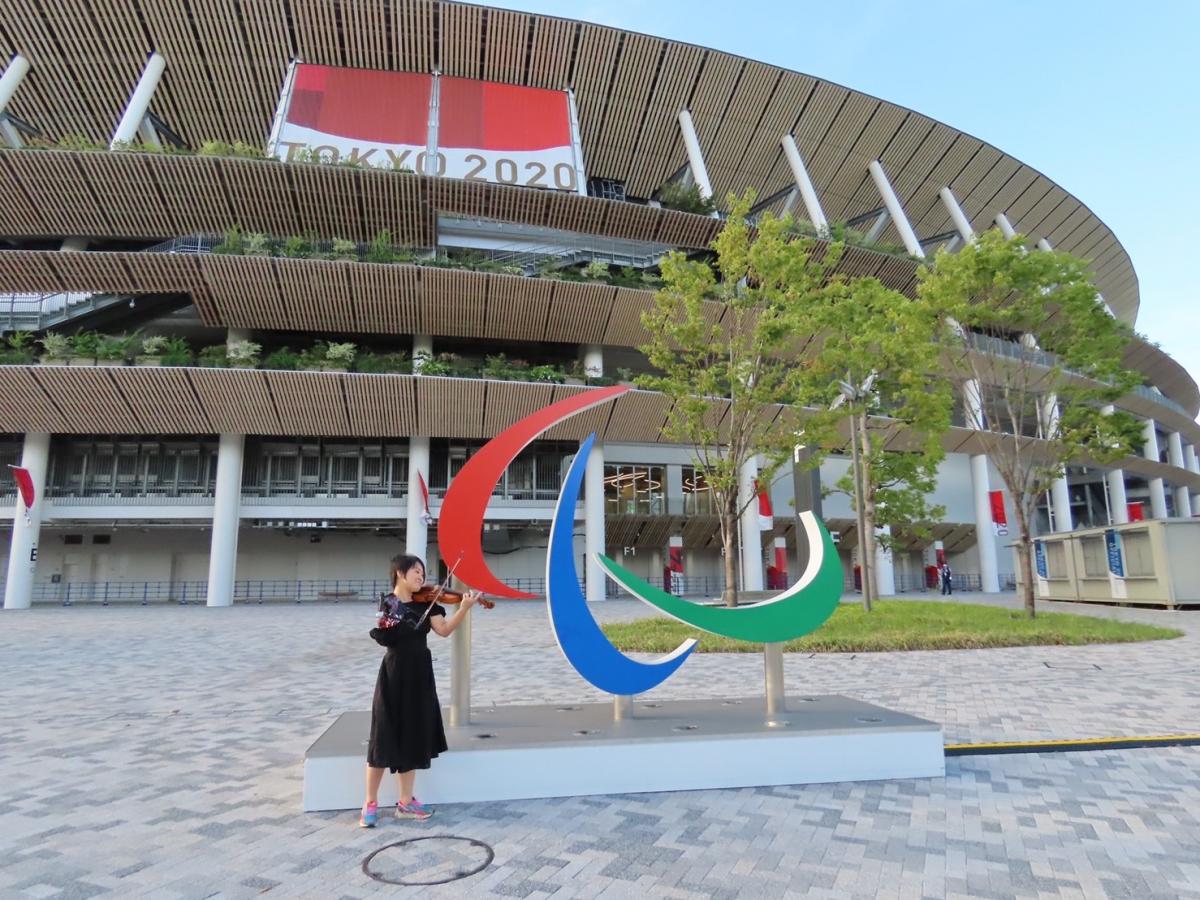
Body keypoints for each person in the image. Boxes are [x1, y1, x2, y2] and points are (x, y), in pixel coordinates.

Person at [360, 554, 480, 826]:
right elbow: (386, 635)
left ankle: (405, 802)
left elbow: (445, 630)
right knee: (383, 735)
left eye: (423, 574)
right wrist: (391, 626)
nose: (421, 578)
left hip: (419, 673)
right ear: (400, 573)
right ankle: (369, 802)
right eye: (416, 572)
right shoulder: (388, 604)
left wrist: (464, 607)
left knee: (413, 734)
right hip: (393, 673)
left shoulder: (430, 603)